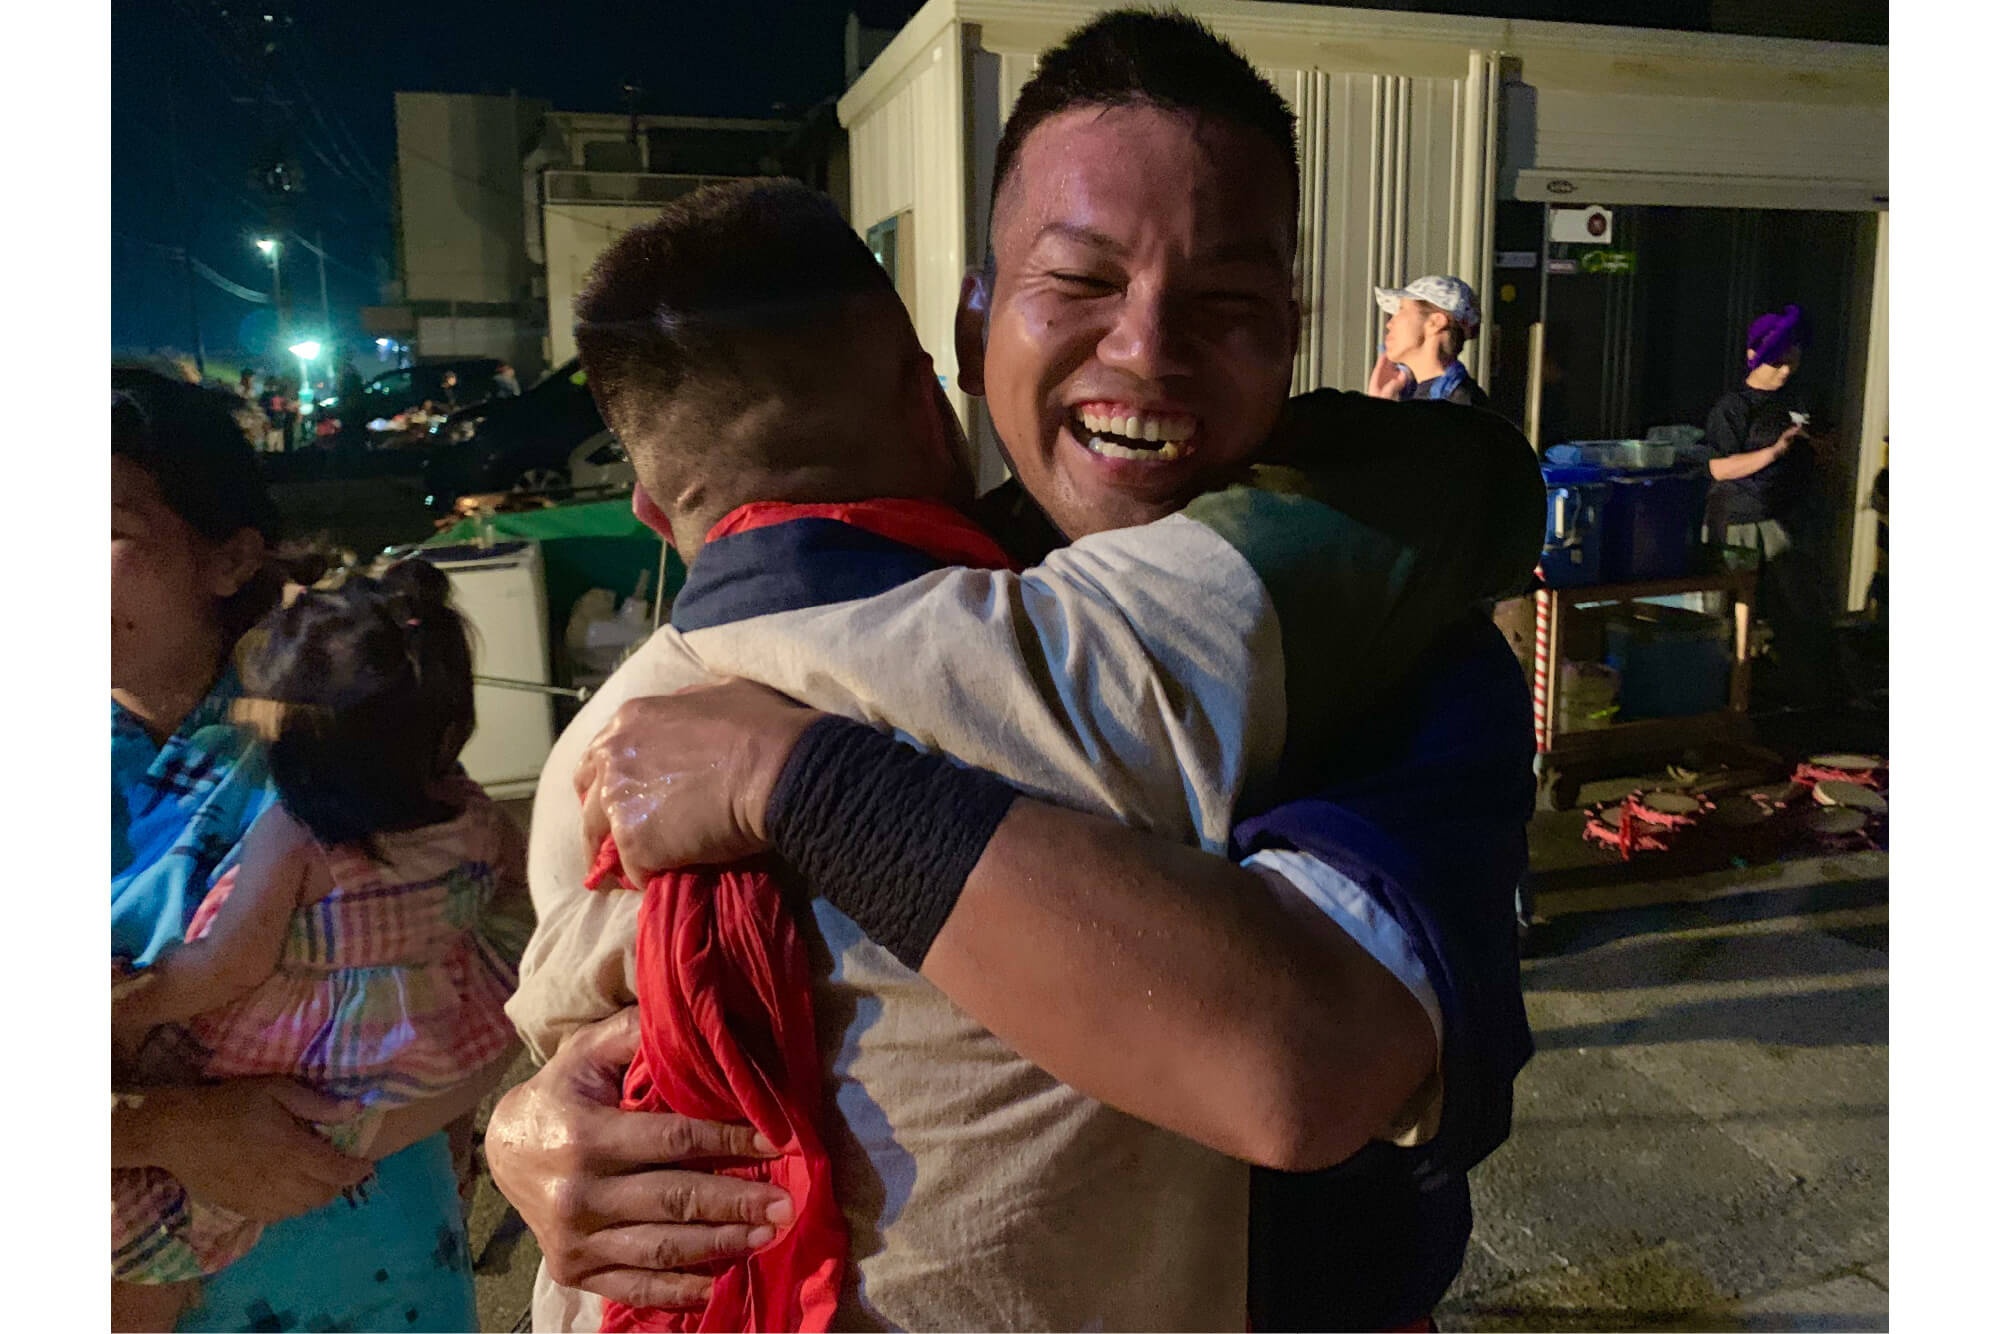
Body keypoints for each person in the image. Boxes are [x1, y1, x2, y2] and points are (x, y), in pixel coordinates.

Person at [488, 11, 1539, 1331]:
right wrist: (534, 1129)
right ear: (972, 329)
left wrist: (798, 776)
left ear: (1291, 336)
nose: (1146, 348)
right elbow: (594, 1006)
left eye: (1224, 304)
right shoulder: (917, 603)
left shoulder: (1401, 656)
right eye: (1082, 284)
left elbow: (1302, 1068)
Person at [110, 369, 513, 1333]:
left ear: (229, 555)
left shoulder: (333, 732)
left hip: (377, 1258)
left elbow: (476, 963)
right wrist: (168, 1126)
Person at [1701, 304, 1840, 709]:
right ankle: (1721, 696)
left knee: (1800, 609)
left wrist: (1822, 451)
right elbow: (1718, 467)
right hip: (1741, 518)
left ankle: (1807, 698)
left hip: (1790, 517)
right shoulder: (1733, 408)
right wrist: (1774, 452)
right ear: (1753, 356)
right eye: (1777, 361)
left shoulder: (1802, 398)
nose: (1785, 370)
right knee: (1728, 612)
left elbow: (1830, 447)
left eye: (1792, 360)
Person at [1368, 274, 1490, 408]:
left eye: (1401, 309)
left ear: (1435, 322)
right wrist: (1380, 404)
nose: (1389, 324)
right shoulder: (1411, 396)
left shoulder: (1460, 405)